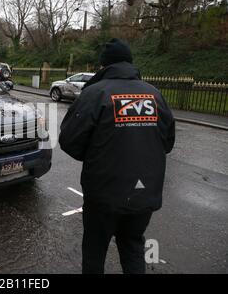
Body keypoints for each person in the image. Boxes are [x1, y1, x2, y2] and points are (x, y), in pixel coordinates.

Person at [59, 38, 176, 274]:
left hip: (104, 195)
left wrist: (96, 155)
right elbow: (167, 141)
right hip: (144, 196)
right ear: (130, 63)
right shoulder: (154, 94)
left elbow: (69, 140)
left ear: (103, 65)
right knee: (132, 246)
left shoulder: (95, 93)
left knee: (95, 251)